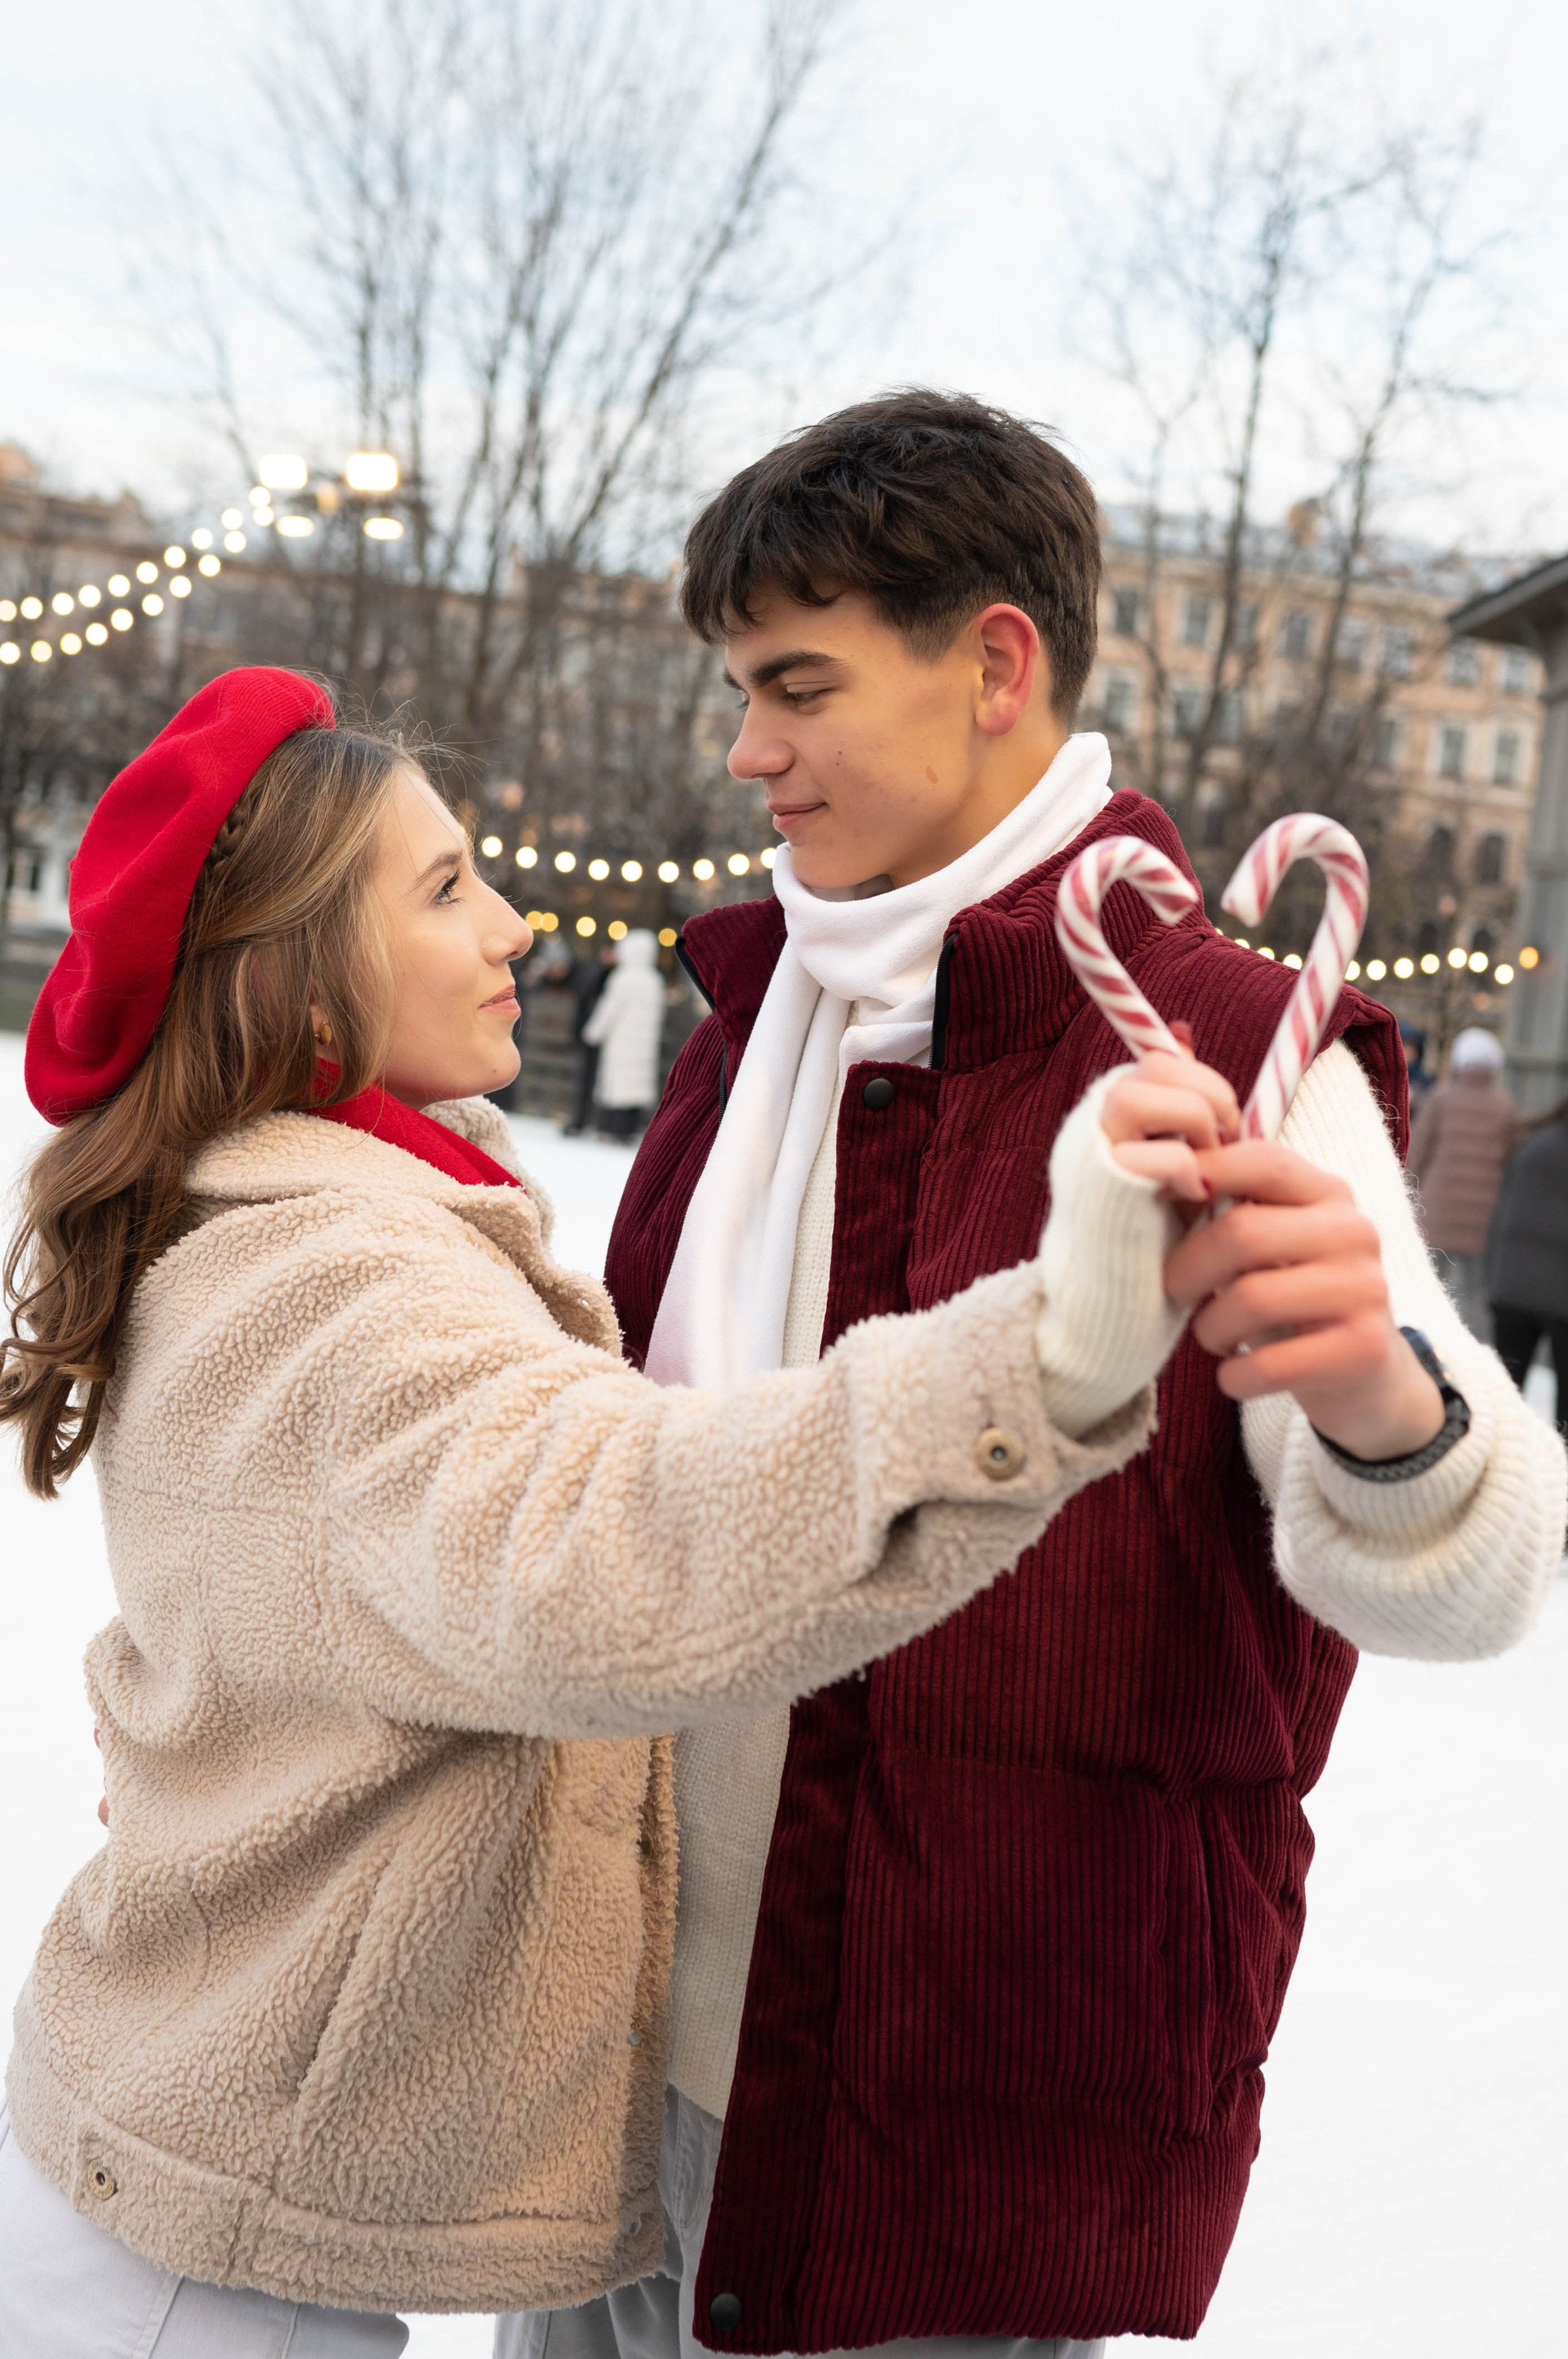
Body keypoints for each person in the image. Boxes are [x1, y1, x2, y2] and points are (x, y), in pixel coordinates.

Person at [505, 391, 1566, 2359]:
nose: (748, 748)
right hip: (624, 2037)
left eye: (795, 683)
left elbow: (1478, 1561)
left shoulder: (1228, 1042)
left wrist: (1388, 1413)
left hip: (954, 2099)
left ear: (992, 661)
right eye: (741, 686)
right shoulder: (754, 1023)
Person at [1, 665, 1223, 2354]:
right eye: (444, 889)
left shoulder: (315, 1210)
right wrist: (1046, 1353)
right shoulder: (331, 1276)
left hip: (188, 2152)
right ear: (295, 984)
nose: (510, 925)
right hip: (197, 2267)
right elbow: (610, 1546)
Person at [1408, 1025, 1523, 1338]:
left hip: (1438, 1211)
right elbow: (1513, 1162)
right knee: (1477, 1291)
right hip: (1484, 1218)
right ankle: (1479, 1351)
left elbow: (1417, 1152)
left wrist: (1407, 1193)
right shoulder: (1506, 1106)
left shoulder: (1439, 1099)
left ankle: (1424, 1346)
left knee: (1431, 1285)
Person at [1486, 1096, 1568, 1441]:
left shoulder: (1533, 1143)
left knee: (1506, 1393)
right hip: (1561, 1298)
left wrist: (1494, 1278)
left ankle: (1499, 1468)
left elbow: (1500, 1214)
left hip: (1513, 1287)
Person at [584, 929, 667, 1141]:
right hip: (645, 1046)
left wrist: (594, 1032)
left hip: (621, 1042)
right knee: (636, 1085)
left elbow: (610, 1009)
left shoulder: (623, 978)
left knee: (617, 1084)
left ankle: (612, 1128)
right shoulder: (655, 981)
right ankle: (628, 1129)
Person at [565, 946, 617, 1135]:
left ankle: (599, 1123)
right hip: (592, 1036)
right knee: (586, 1080)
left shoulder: (617, 977)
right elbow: (584, 1001)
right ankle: (581, 1120)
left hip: (606, 1039)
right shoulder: (596, 973)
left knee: (602, 1082)